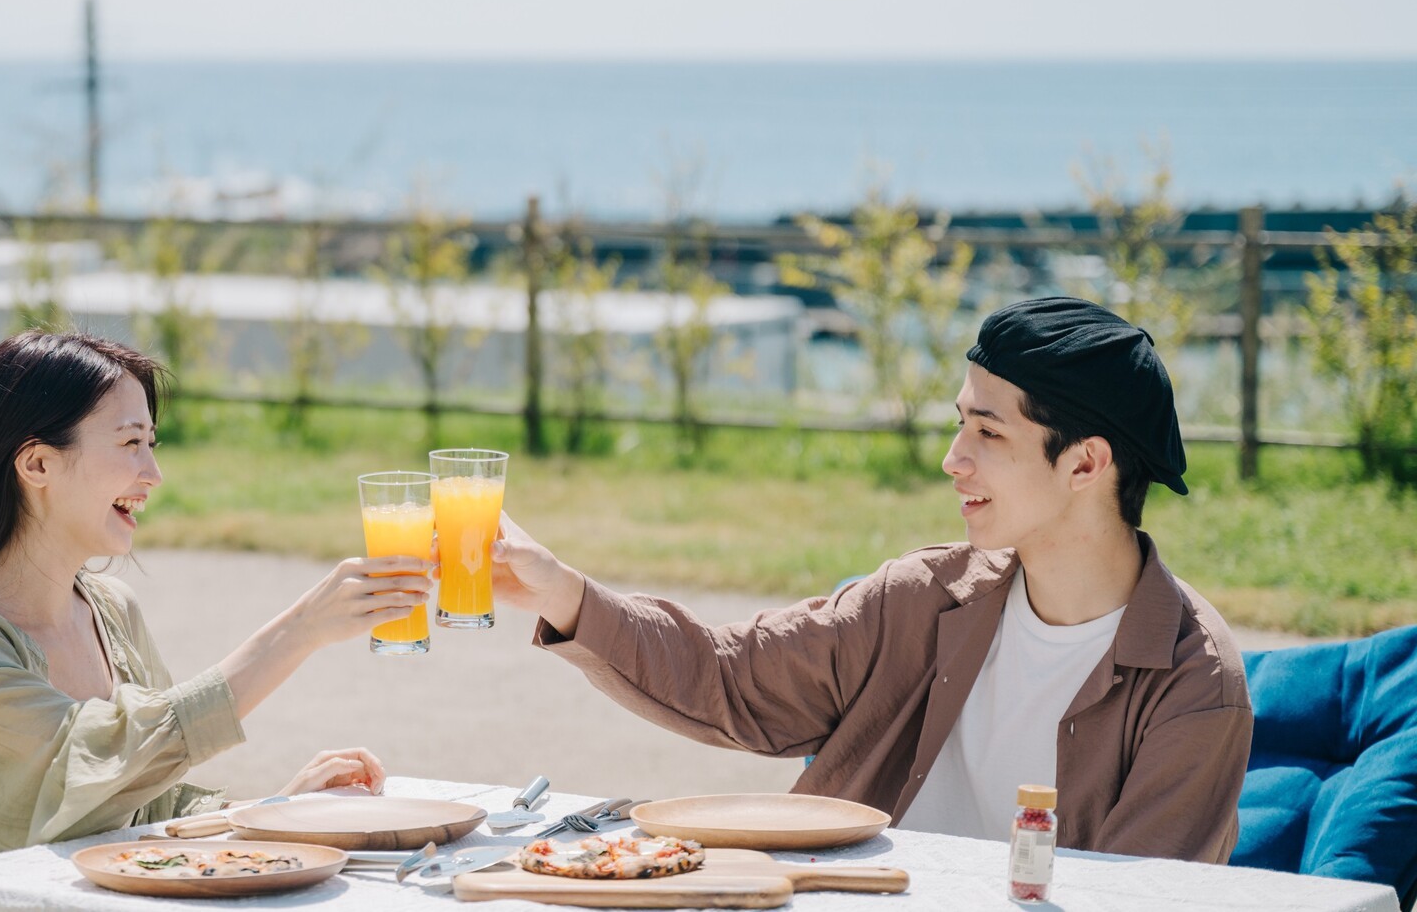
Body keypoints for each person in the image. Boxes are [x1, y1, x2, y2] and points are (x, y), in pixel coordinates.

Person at [491, 296, 1251, 862]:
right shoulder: (921, 596)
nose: (953, 459)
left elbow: (1138, 901)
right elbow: (726, 677)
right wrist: (562, 593)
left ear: (1085, 463)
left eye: (988, 432)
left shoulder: (1194, 685)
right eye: (959, 422)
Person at [0, 331, 431, 905]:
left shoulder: (111, 610)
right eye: (130, 442)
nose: (153, 473)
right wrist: (299, 630)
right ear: (37, 463)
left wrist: (278, 810)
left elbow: (146, 804)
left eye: (151, 443)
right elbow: (92, 759)